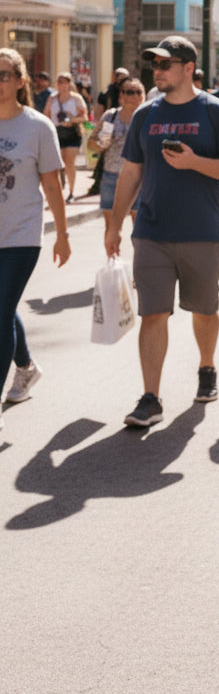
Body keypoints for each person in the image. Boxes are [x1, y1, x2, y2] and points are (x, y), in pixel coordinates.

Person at [104, 36, 219, 428]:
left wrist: (195, 162)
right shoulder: (146, 115)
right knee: (154, 314)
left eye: (165, 64)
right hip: (151, 232)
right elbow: (131, 170)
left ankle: (207, 367)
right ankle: (150, 397)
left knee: (205, 310)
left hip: (202, 231)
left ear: (188, 68)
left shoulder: (214, 111)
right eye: (155, 65)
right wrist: (115, 224)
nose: (158, 71)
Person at [0, 49, 70, 429]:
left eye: (4, 75)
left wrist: (62, 233)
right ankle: (25, 367)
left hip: (21, 235)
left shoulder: (38, 127)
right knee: (4, 310)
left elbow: (52, 186)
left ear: (20, 81)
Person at [88, 77, 145, 234]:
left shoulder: (147, 117)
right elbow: (93, 144)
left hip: (139, 178)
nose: (135, 96)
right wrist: (99, 145)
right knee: (111, 226)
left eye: (138, 92)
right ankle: (112, 257)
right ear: (121, 96)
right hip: (111, 176)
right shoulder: (110, 117)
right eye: (129, 92)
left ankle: (139, 258)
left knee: (139, 226)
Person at [45, 71, 88, 203]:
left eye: (64, 82)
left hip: (72, 133)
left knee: (69, 162)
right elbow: (46, 114)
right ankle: (60, 189)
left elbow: (84, 117)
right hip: (56, 133)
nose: (61, 85)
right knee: (58, 163)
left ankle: (71, 192)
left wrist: (72, 120)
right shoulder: (52, 98)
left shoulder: (76, 98)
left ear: (69, 83)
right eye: (59, 82)